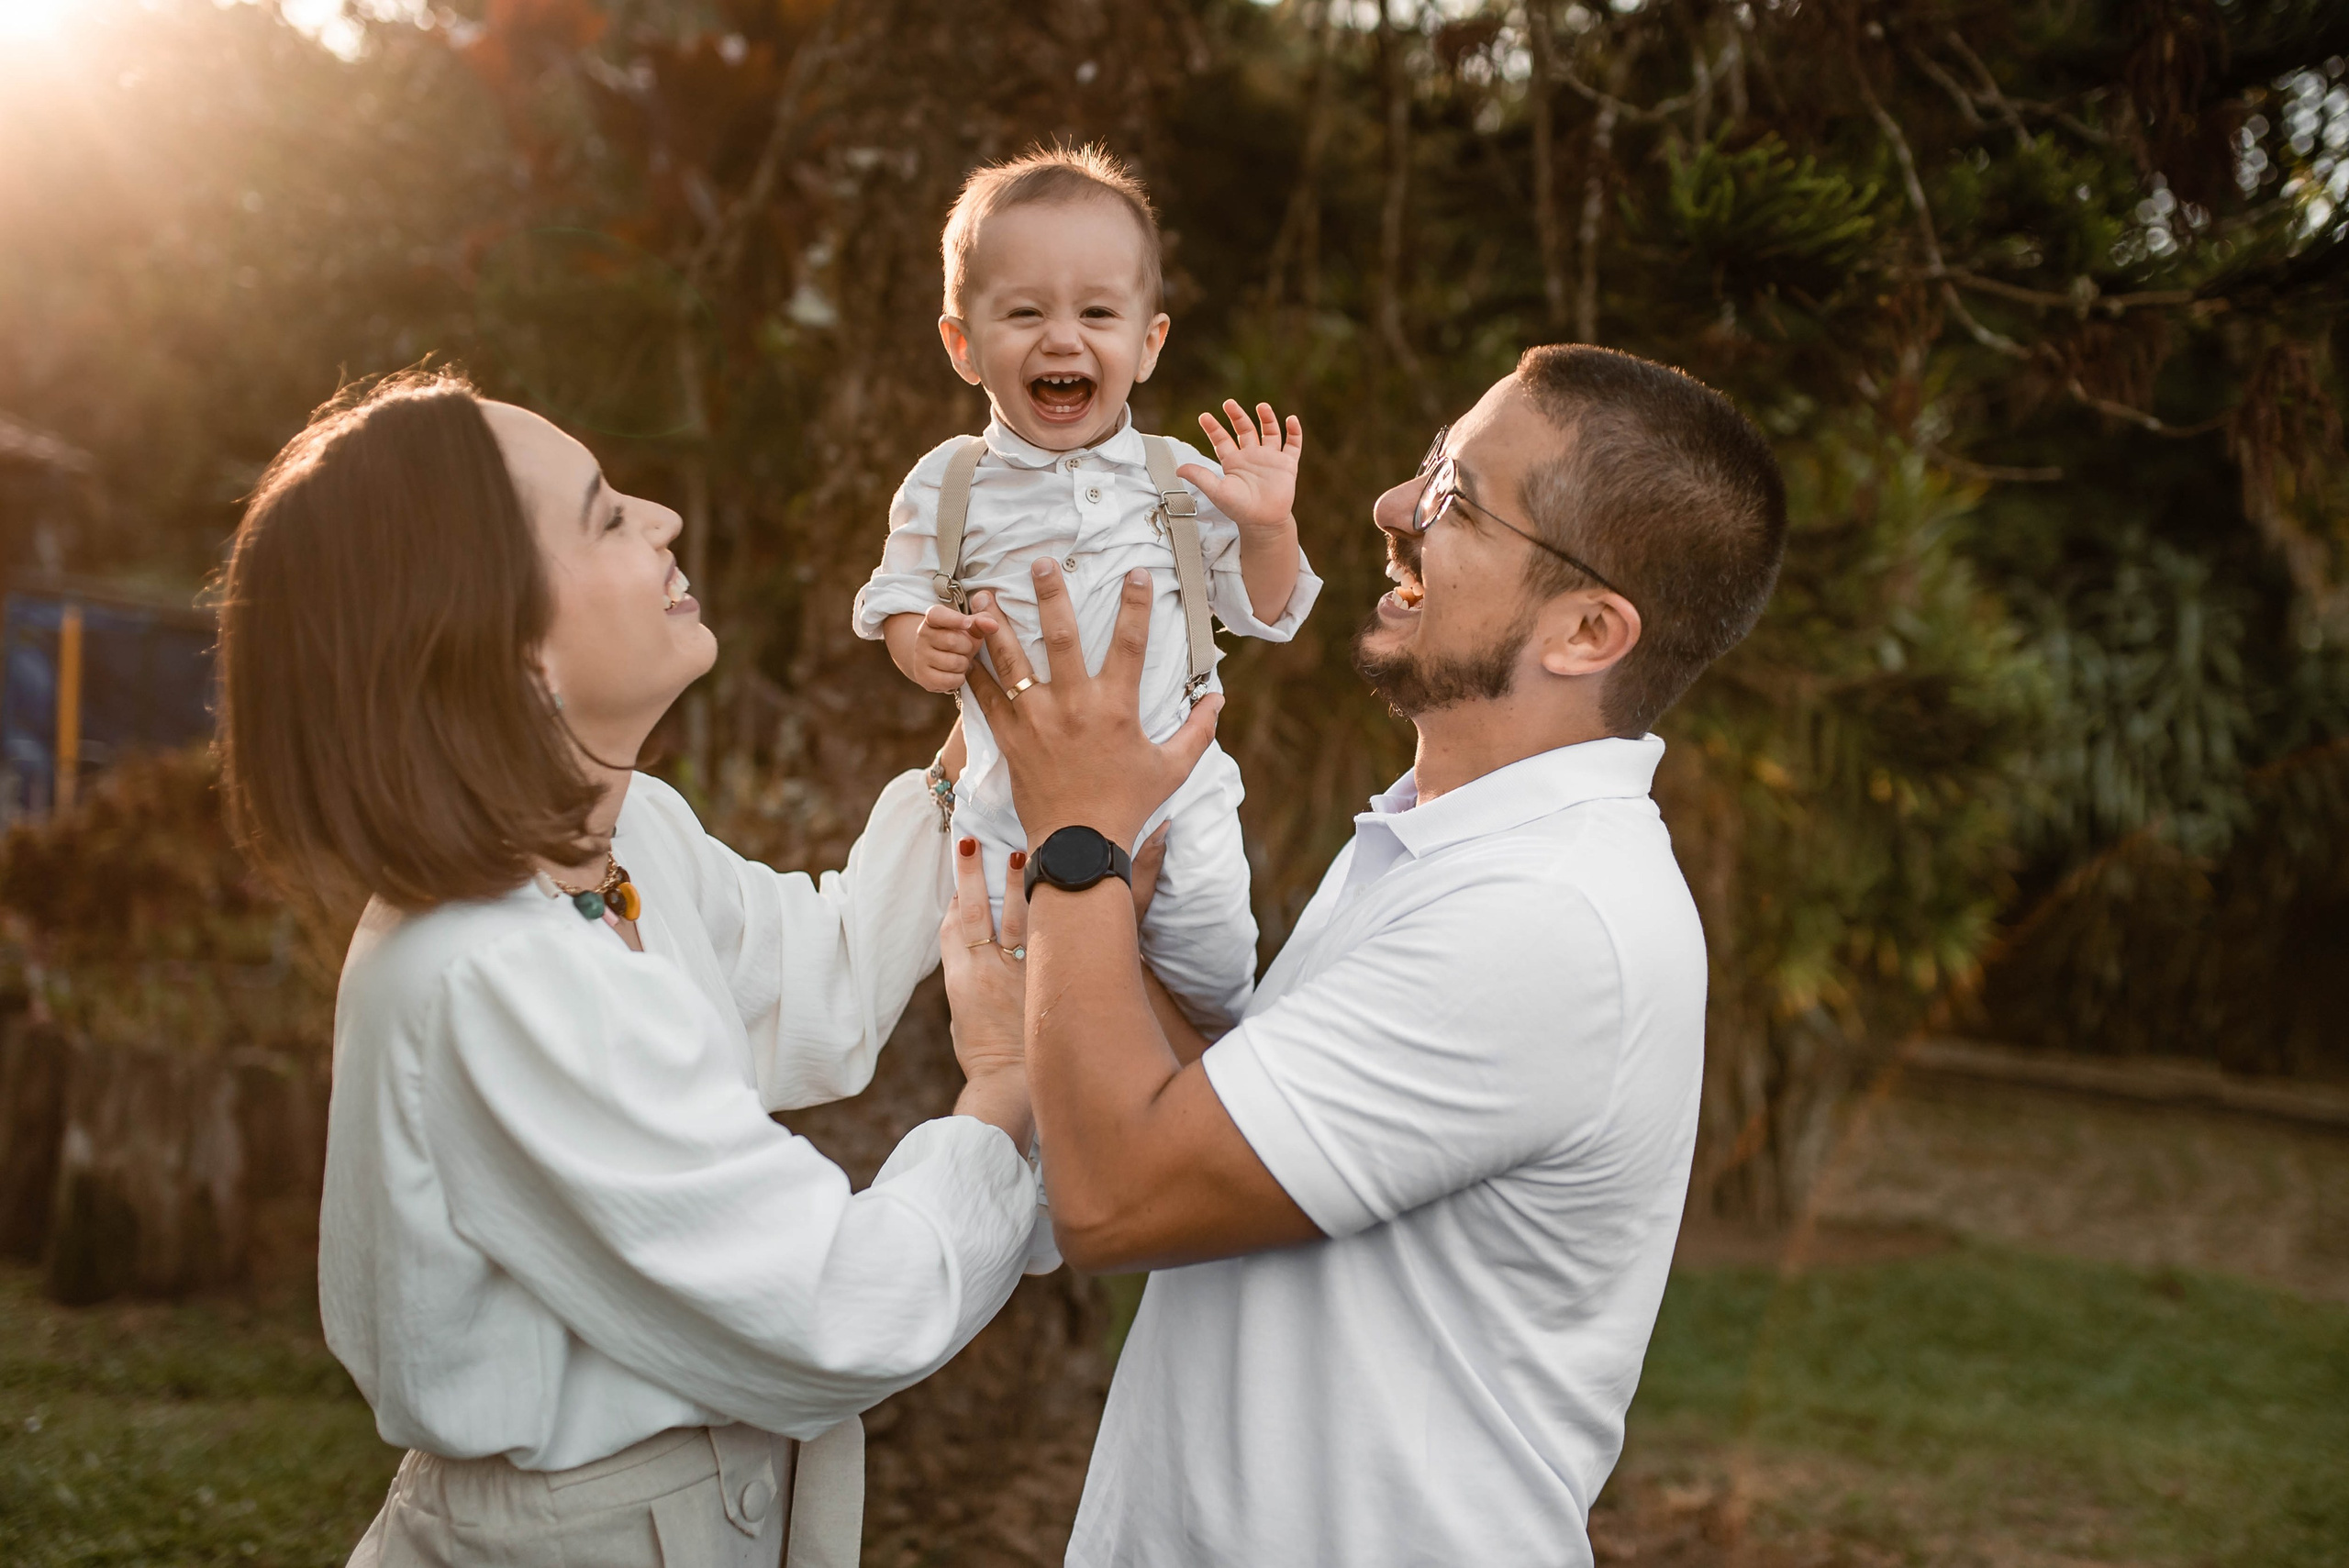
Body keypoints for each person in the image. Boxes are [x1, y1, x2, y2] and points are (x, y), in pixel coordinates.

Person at [939, 344, 1789, 1567]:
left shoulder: (1543, 918)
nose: (1393, 508)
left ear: (1588, 628)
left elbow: (1120, 1197)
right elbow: (1237, 1127)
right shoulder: (1447, 842)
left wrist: (1082, 836)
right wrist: (1082, 935)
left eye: (1453, 496)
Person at [215, 368, 1045, 1568]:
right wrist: (1002, 1093)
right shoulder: (491, 972)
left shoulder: (626, 836)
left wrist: (972, 749)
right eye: (606, 513)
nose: (661, 515)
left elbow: (822, 973)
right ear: (500, 650)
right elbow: (838, 1309)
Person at [853, 143, 1319, 1031]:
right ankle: (1045, 1161)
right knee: (1037, 1014)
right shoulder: (947, 482)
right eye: (1023, 311)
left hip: (1176, 805)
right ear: (961, 344)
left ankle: (1199, 1118)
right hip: (1012, 808)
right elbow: (897, 599)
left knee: (1212, 990)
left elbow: (1264, 611)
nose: (1062, 337)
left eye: (1097, 312)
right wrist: (923, 643)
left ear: (1147, 344)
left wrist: (1267, 528)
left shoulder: (1176, 474)